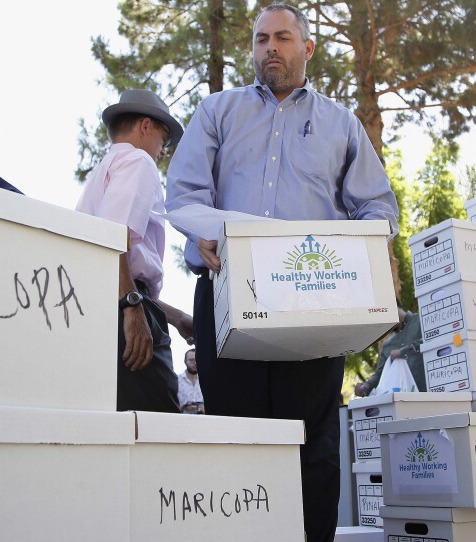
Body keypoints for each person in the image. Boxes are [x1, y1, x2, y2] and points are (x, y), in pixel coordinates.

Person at [165, 4, 398, 540]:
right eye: (261, 38)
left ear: (307, 48)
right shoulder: (217, 112)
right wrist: (203, 236)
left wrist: (357, 254)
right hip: (227, 296)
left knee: (311, 444)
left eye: (284, 38)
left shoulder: (342, 125)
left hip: (313, 301)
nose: (271, 47)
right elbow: (184, 194)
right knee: (238, 441)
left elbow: (378, 209)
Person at [76, 89, 194, 413]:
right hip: (123, 309)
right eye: (164, 140)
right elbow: (112, 237)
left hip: (96, 305)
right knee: (158, 426)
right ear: (145, 127)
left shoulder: (106, 167)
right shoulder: (139, 160)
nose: (162, 152)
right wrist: (132, 307)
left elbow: (115, 259)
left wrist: (175, 316)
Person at [354, 305, 424, 396]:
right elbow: (380, 374)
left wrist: (403, 352)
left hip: (431, 396)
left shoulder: (421, 320)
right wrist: (367, 386)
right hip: (403, 402)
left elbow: (434, 341)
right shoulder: (387, 345)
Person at [177, 349, 205, 414]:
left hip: (203, 420)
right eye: (191, 360)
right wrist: (184, 407)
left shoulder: (206, 381)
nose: (195, 363)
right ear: (185, 361)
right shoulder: (177, 380)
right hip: (183, 420)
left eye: (197, 360)